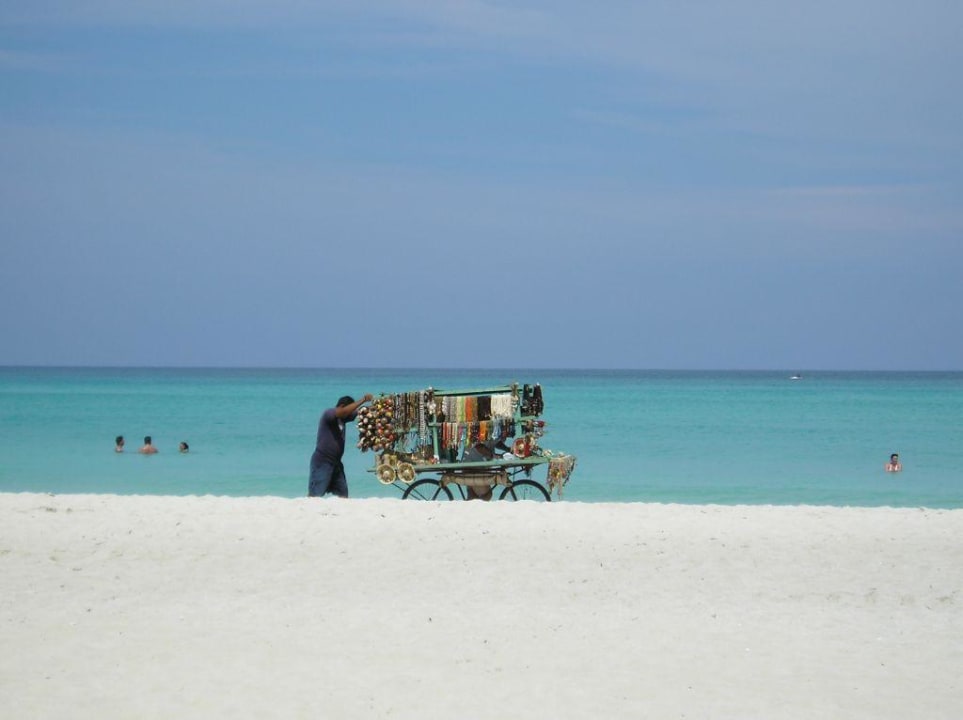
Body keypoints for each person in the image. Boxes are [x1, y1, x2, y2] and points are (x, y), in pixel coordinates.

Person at [309, 394, 373, 498]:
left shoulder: (343, 419)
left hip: (336, 464)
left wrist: (375, 407)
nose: (350, 413)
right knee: (315, 496)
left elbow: (359, 411)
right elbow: (343, 412)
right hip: (322, 462)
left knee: (343, 496)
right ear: (342, 406)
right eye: (349, 409)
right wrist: (363, 400)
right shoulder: (328, 414)